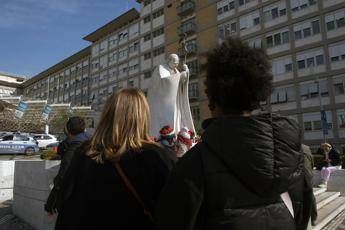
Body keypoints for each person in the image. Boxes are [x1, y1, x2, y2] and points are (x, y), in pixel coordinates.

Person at [155, 38, 308, 230]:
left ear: (213, 103)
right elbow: (301, 215)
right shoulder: (292, 157)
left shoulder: (194, 163)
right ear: (256, 97)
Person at [55, 88, 171, 230]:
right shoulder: (157, 157)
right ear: (143, 117)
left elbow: (68, 203)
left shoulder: (85, 152)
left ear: (107, 115)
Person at [45, 116, 89, 215]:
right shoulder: (89, 141)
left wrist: (50, 204)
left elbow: (62, 176)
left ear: (68, 130)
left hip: (73, 199)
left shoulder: (74, 148)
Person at [147, 53, 195, 138]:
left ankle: (177, 135)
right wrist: (179, 76)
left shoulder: (176, 71)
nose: (176, 65)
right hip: (162, 104)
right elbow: (165, 82)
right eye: (175, 63)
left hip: (175, 101)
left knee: (177, 120)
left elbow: (180, 83)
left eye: (177, 63)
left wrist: (186, 72)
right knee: (165, 122)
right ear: (169, 60)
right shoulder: (160, 69)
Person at [301, 144, 317, 227]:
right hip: (308, 175)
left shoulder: (291, 146)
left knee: (309, 196)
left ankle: (310, 219)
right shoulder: (306, 147)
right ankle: (313, 218)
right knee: (310, 196)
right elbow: (312, 161)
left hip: (301, 176)